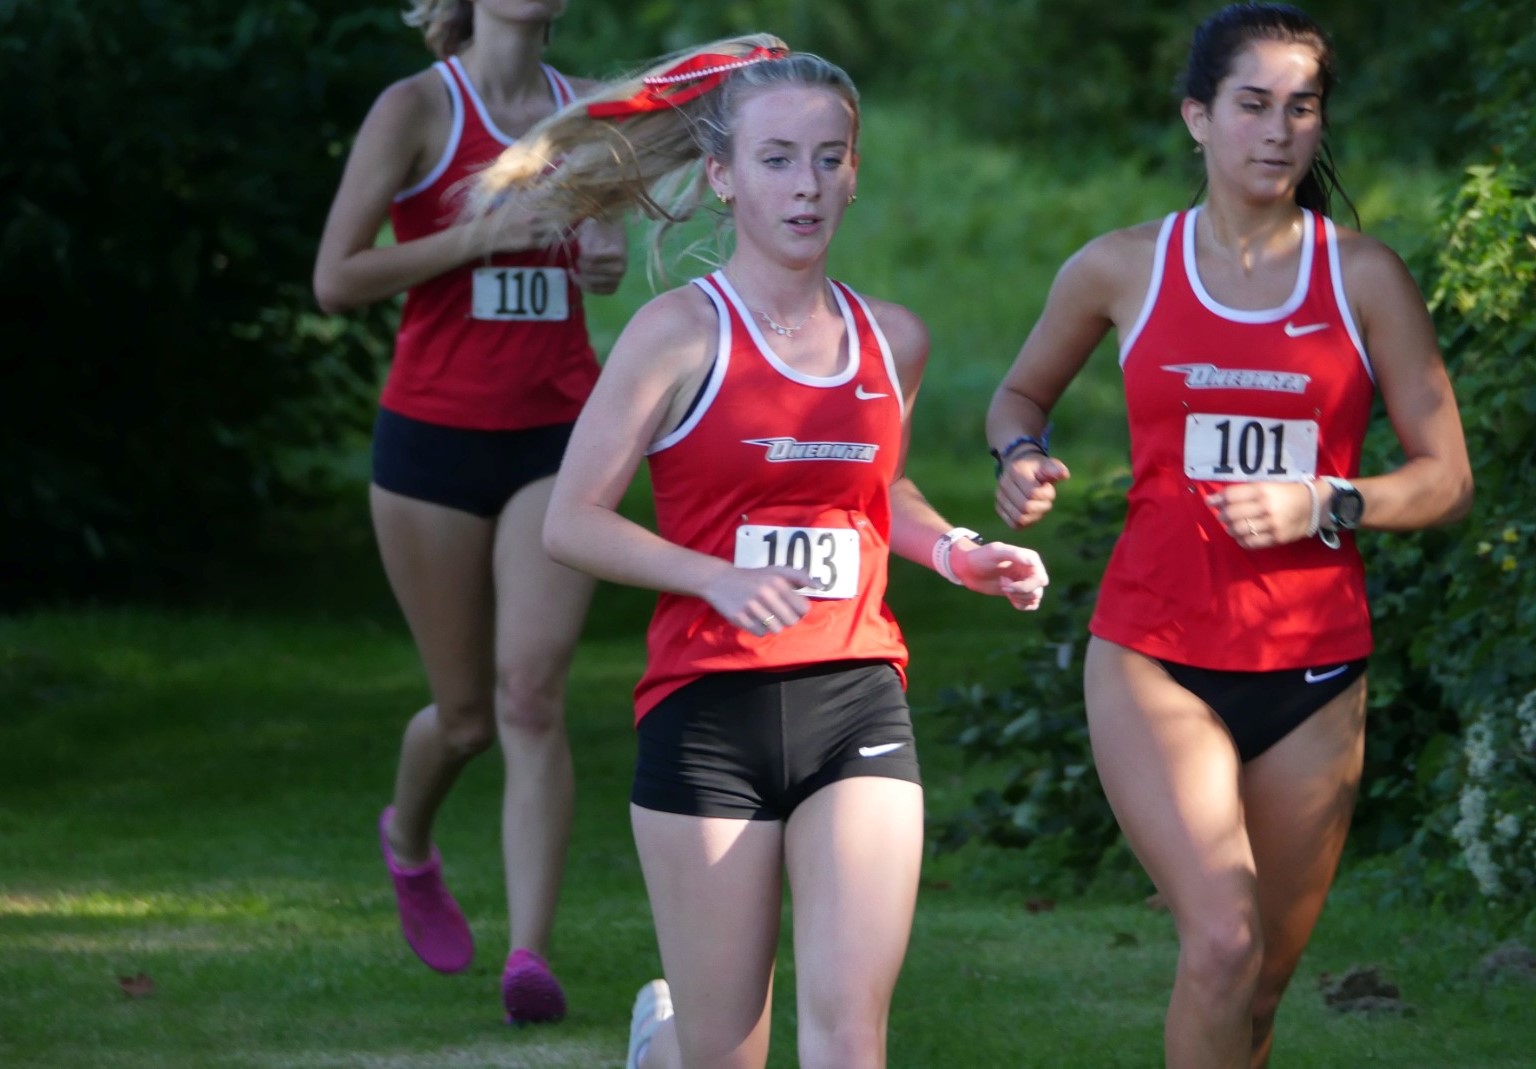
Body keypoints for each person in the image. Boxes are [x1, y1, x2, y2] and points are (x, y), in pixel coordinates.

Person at [468, 34, 1051, 1069]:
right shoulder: (677, 333)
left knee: (848, 1040)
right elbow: (571, 520)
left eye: (830, 159)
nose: (807, 186)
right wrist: (713, 576)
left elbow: (874, 490)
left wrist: (957, 552)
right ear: (725, 176)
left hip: (856, 696)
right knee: (727, 1052)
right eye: (778, 159)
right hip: (707, 710)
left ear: (855, 175)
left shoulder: (892, 339)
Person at [986, 4, 1472, 1066]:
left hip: (1312, 666)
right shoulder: (1121, 267)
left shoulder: (1364, 278)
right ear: (1197, 117)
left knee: (1258, 990)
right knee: (1219, 939)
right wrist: (1018, 459)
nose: (1279, 131)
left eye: (1302, 107)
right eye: (1252, 105)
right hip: (1154, 650)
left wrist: (1327, 501)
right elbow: (1020, 393)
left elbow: (1447, 479)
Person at [311, 0, 627, 1024]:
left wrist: (601, 259)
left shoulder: (589, 116)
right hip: (434, 441)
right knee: (464, 720)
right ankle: (408, 839)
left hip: (558, 431)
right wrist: (482, 236)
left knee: (530, 692)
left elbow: (606, 252)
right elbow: (336, 280)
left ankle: (528, 957)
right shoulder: (414, 109)